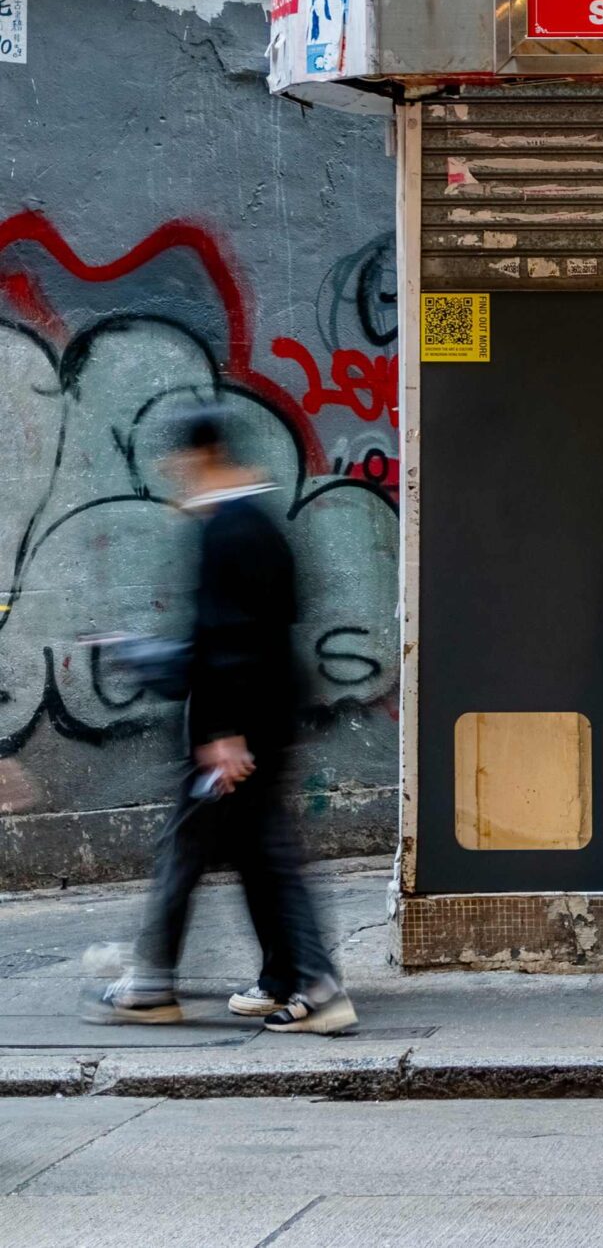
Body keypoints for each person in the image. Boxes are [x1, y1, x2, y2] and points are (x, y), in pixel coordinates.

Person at [86, 406, 354, 1034]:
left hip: (238, 727)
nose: (175, 476)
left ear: (202, 457)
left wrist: (220, 734)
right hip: (259, 717)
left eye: (179, 463)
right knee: (259, 853)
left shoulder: (230, 528)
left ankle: (174, 985)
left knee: (212, 848)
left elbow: (230, 639)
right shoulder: (257, 523)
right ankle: (289, 979)